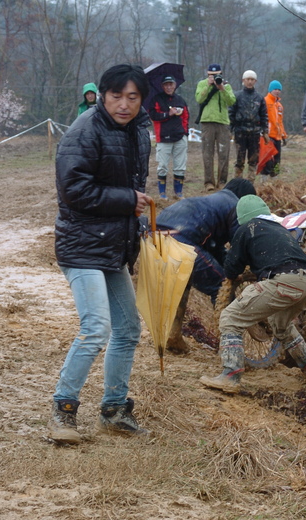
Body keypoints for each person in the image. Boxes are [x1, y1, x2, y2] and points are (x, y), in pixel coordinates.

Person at [48, 64, 153, 444]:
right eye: (116, 96)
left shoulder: (139, 131)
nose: (124, 104)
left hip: (113, 244)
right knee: (96, 329)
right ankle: (63, 411)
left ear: (142, 100)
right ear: (102, 95)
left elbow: (131, 183)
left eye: (133, 97)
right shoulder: (84, 131)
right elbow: (74, 190)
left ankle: (113, 410)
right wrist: (128, 200)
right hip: (80, 244)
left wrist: (135, 216)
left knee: (128, 330)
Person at [200, 195, 306, 393]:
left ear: (242, 217)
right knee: (281, 326)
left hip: (283, 279)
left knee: (230, 318)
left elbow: (232, 268)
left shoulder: (247, 229)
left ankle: (231, 375)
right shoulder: (280, 229)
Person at [155, 178, 257, 352]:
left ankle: (173, 335)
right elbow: (238, 245)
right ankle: (231, 347)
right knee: (221, 287)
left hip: (156, 237)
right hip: (181, 239)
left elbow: (215, 248)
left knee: (183, 283)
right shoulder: (235, 205)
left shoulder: (214, 201)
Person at [195, 63, 236, 191]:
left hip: (223, 122)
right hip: (207, 121)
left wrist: (222, 88)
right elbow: (199, 99)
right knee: (207, 153)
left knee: (224, 153)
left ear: (221, 74)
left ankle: (222, 181)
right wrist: (208, 86)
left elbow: (231, 101)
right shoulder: (202, 84)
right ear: (208, 74)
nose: (214, 77)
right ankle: (209, 182)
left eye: (217, 75)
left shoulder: (226, 86)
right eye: (211, 75)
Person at [149, 76, 190, 200]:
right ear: (162, 86)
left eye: (170, 84)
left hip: (180, 137)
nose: (168, 87)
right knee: (162, 166)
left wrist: (185, 133)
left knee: (180, 166)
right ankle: (162, 194)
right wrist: (168, 114)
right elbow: (153, 116)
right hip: (163, 138)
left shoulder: (180, 100)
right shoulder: (156, 99)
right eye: (166, 84)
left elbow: (186, 117)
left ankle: (178, 193)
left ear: (175, 85)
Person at [229, 70, 268, 180]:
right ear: (243, 80)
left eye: (252, 80)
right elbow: (231, 113)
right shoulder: (237, 96)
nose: (250, 82)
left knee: (253, 160)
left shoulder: (260, 98)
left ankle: (251, 182)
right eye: (248, 79)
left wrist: (265, 132)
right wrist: (229, 130)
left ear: (255, 81)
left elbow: (264, 116)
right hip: (240, 132)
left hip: (255, 133)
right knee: (239, 160)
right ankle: (237, 181)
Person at [261, 80, 287, 181]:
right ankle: (265, 180)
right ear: (270, 90)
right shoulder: (265, 101)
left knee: (277, 159)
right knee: (267, 159)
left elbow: (280, 122)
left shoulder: (279, 106)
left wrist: (284, 135)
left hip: (277, 136)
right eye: (275, 89)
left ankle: (275, 179)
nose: (277, 91)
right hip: (268, 135)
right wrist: (263, 132)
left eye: (279, 89)